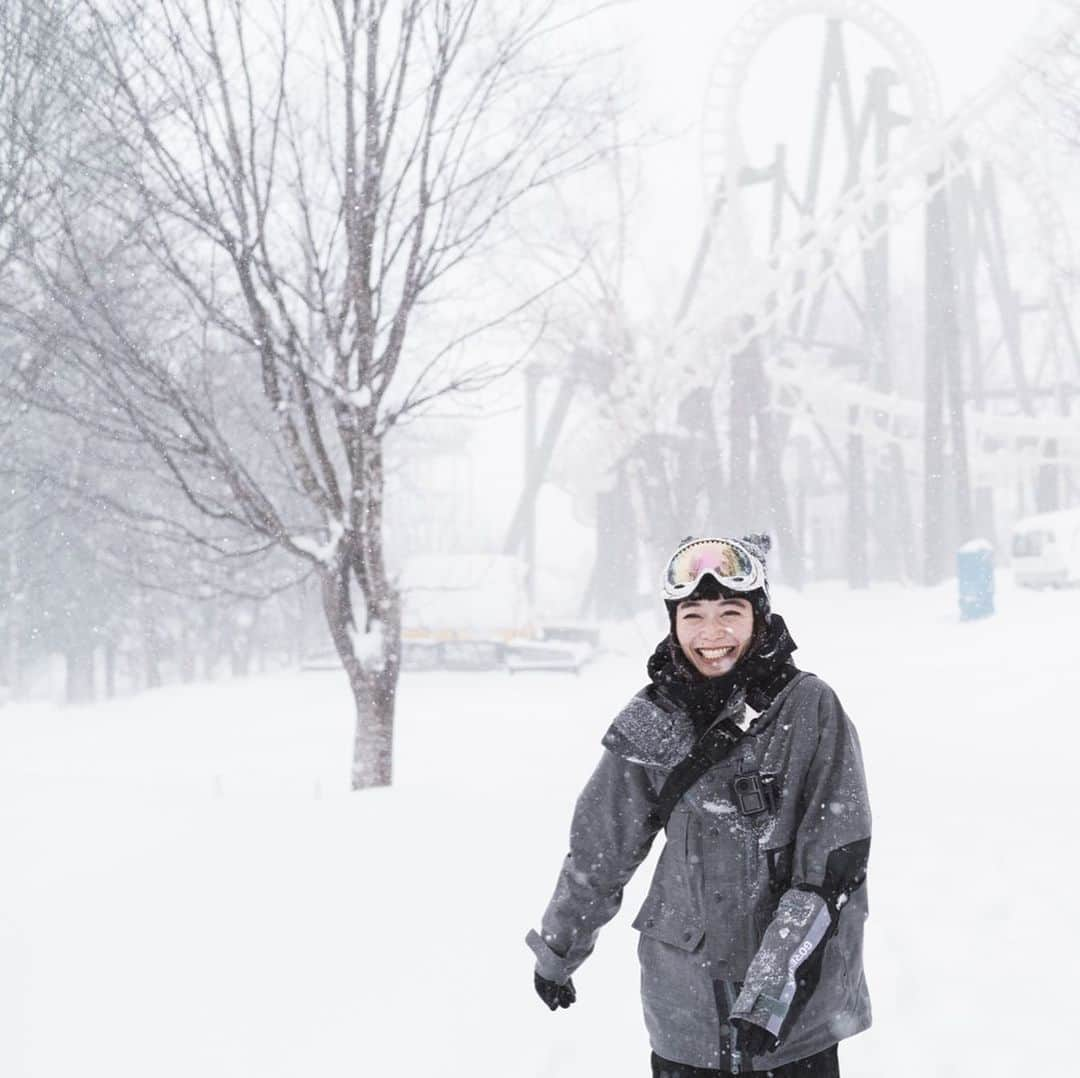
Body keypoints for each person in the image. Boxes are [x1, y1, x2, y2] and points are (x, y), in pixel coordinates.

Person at [526, 535, 871, 1077]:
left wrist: (770, 991)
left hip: (794, 1023)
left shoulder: (808, 707)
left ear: (758, 617)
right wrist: (559, 947)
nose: (713, 634)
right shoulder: (651, 717)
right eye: (694, 615)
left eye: (731, 612)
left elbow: (833, 864)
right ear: (674, 622)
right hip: (684, 1007)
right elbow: (601, 848)